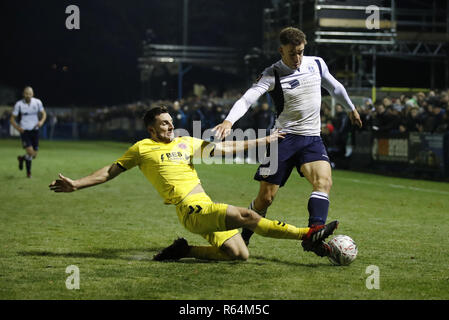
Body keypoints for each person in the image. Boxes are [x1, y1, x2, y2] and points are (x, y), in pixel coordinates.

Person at [48, 106, 338, 262]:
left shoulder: (187, 141)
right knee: (248, 216)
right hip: (191, 210)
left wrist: (266, 140)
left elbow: (225, 150)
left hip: (205, 207)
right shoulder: (142, 148)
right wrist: (77, 184)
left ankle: (184, 251)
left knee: (239, 255)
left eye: (171, 122)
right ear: (151, 129)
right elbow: (109, 172)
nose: (170, 126)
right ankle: (307, 234)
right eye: (164, 123)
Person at [212, 27, 361, 257]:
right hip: (281, 140)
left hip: (312, 138)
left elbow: (335, 87)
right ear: (281, 50)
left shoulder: (317, 64)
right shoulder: (272, 73)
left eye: (301, 52)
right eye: (292, 53)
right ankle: (243, 237)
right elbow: (247, 99)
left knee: (324, 181)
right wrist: (228, 121)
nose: (297, 58)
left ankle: (314, 234)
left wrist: (350, 108)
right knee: (266, 198)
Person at [10, 86, 47, 178]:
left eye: (30, 94)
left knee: (34, 155)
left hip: (35, 131)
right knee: (30, 153)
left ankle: (22, 158)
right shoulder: (19, 104)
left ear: (32, 94)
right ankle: (28, 174)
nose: (28, 95)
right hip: (25, 131)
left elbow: (44, 114)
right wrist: (18, 128)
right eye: (26, 93)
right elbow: (12, 119)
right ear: (23, 94)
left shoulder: (37, 102)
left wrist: (41, 122)